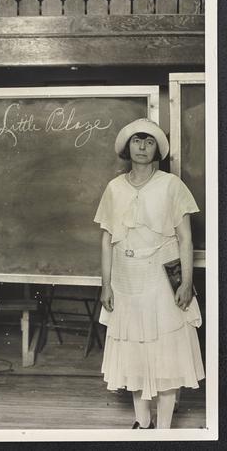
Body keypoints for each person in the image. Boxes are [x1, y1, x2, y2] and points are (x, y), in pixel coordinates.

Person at [94, 118, 204, 429]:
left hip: (162, 278)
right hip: (126, 280)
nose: (142, 146)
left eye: (150, 141)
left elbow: (185, 238)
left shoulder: (171, 185)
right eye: (136, 140)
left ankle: (164, 429)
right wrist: (106, 285)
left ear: (157, 149)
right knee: (135, 351)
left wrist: (186, 282)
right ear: (126, 147)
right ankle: (143, 425)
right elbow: (106, 239)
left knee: (166, 352)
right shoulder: (114, 188)